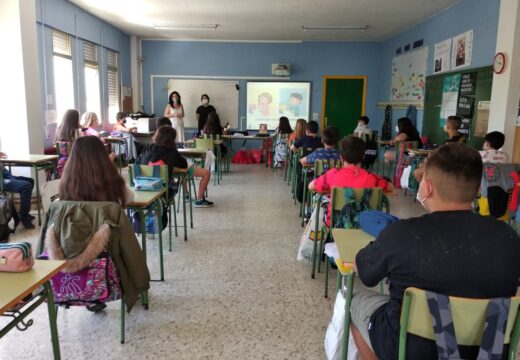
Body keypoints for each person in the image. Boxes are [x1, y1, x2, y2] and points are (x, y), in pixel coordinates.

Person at [350, 143, 520, 360]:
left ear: (426, 188)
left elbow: (366, 273)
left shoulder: (401, 234)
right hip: (487, 350)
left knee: (354, 302)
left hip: (411, 349)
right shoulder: (508, 237)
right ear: (478, 190)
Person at [308, 136, 393, 226]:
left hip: (336, 223)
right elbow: (393, 189)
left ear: (341, 158)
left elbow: (310, 186)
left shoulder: (333, 174)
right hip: (366, 224)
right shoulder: (372, 178)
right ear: (363, 156)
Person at [140, 126, 214, 208]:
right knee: (206, 173)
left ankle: (186, 193)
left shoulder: (147, 148)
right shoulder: (171, 152)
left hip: (142, 187)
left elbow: (138, 163)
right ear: (171, 139)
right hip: (162, 191)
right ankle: (200, 200)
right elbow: (183, 164)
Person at [413, 115, 465, 182]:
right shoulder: (462, 137)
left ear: (448, 126)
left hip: (448, 168)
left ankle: (427, 190)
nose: (445, 125)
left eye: (446, 123)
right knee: (422, 165)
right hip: (458, 165)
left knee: (417, 172)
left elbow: (443, 158)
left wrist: (429, 160)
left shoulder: (449, 142)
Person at [0, 152, 34, 229]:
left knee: (30, 181)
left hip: (4, 173)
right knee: (26, 186)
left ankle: (24, 213)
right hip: (1, 179)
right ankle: (24, 217)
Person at [56, 109, 83, 177]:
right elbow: (81, 147)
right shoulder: (78, 132)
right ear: (76, 119)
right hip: (76, 160)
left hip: (62, 161)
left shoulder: (59, 130)